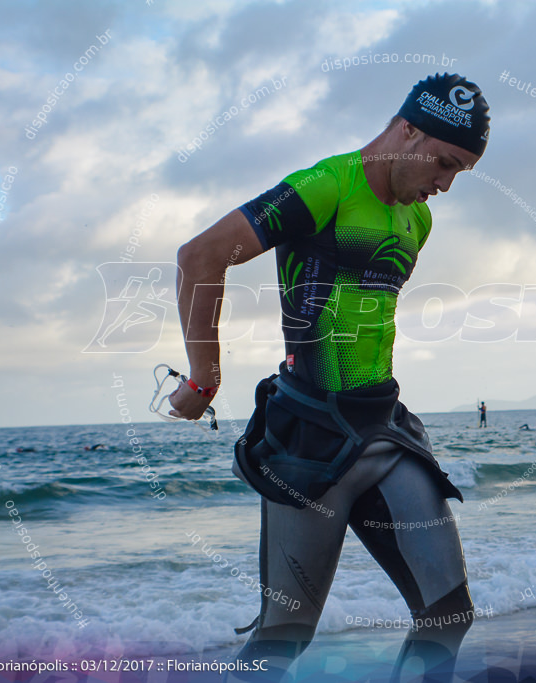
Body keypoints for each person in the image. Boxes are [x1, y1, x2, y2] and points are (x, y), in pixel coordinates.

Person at [170, 73, 490, 682]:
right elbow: (200, 255)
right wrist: (203, 378)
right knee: (284, 637)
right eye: (443, 165)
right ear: (407, 131)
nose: (444, 185)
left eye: (458, 175)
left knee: (449, 615)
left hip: (386, 430)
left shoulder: (416, 221)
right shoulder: (324, 186)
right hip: (311, 438)